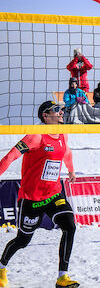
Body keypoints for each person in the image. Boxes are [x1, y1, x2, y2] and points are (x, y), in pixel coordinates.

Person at [0, 101, 80, 288]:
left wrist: (71, 170)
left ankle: (62, 277)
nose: (61, 112)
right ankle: (2, 267)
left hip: (54, 194)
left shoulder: (62, 134)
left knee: (69, 225)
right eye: (56, 110)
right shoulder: (35, 136)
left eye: (61, 110)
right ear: (45, 116)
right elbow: (11, 155)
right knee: (22, 240)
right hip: (32, 197)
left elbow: (66, 153)